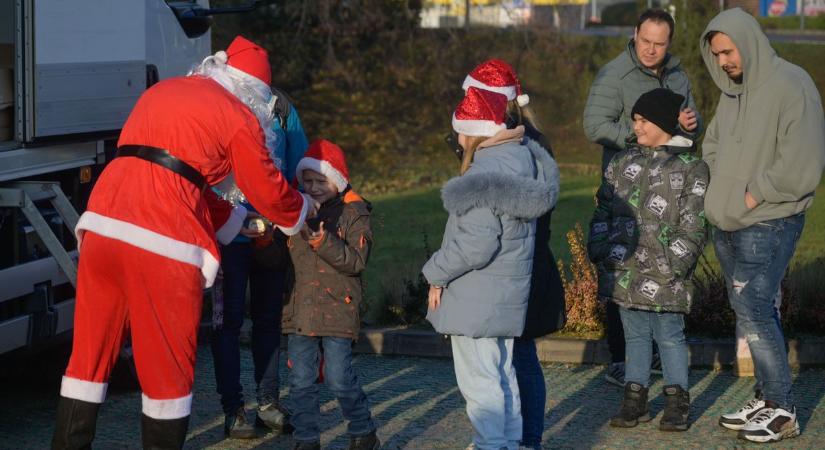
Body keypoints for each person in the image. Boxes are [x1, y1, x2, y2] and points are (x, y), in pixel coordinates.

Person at [51, 36, 318, 450]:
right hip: (164, 240)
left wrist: (235, 220)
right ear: (254, 94)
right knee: (167, 369)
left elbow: (170, 170)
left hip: (102, 225)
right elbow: (265, 188)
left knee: (88, 358)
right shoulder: (239, 116)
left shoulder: (163, 91)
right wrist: (302, 209)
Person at [700, 8, 825, 443]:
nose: (723, 62)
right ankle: (767, 398)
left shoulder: (793, 84)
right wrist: (720, 188)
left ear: (748, 42)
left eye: (728, 52)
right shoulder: (731, 92)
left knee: (754, 307)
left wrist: (753, 194)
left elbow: (804, 161)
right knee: (748, 310)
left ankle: (783, 410)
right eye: (717, 55)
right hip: (728, 221)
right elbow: (712, 142)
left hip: (769, 219)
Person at [423, 85, 556, 450]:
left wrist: (435, 273)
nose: (457, 138)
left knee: (480, 385)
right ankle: (508, 442)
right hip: (504, 297)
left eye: (459, 130)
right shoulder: (521, 162)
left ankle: (491, 444)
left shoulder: (482, 174)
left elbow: (476, 245)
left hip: (476, 299)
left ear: (473, 130)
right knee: (502, 377)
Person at [582, 8, 702, 387]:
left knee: (662, 267)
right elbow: (594, 125)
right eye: (645, 41)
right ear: (635, 34)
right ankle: (620, 360)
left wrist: (690, 125)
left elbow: (689, 125)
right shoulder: (614, 74)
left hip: (670, 186)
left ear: (670, 43)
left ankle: (656, 355)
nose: (651, 49)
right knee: (623, 269)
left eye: (659, 44)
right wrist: (641, 134)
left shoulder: (678, 75)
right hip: (626, 188)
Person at [588, 88, 709, 432]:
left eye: (643, 120)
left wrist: (674, 264)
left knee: (669, 336)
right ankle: (634, 400)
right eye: (635, 120)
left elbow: (694, 224)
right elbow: (604, 208)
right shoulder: (622, 163)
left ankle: (676, 401)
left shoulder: (691, 168)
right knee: (635, 336)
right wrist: (600, 247)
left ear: (664, 123)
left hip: (667, 273)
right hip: (625, 269)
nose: (636, 126)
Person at [460, 59, 564, 450]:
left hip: (518, 263)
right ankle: (512, 436)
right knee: (511, 357)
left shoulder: (517, 147)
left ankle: (521, 438)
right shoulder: (527, 141)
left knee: (514, 358)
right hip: (525, 260)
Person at [209, 87, 309, 439]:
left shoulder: (281, 106)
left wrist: (290, 214)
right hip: (228, 235)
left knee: (269, 320)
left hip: (271, 234)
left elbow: (298, 165)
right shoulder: (215, 99)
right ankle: (233, 409)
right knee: (227, 323)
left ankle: (268, 403)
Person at [281, 139, 379, 450]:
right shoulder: (295, 211)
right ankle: (306, 439)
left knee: (339, 378)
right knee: (301, 382)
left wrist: (323, 242)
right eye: (307, 181)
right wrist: (264, 241)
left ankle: (363, 431)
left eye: (321, 181)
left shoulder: (355, 213)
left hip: (339, 308)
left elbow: (356, 261)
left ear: (337, 180)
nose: (313, 187)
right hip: (300, 309)